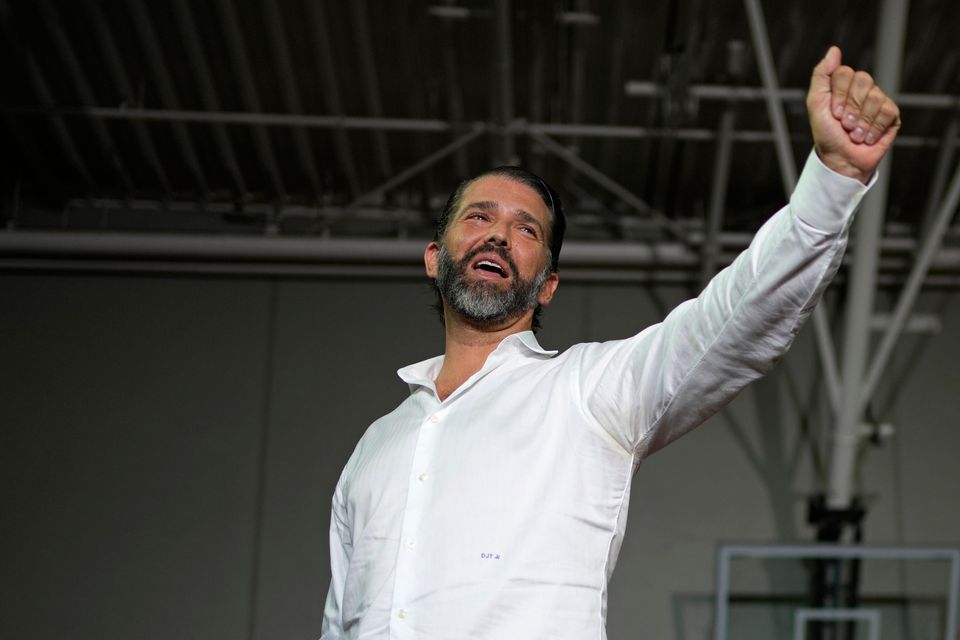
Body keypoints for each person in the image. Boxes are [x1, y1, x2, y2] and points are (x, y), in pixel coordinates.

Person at [320, 46, 901, 639]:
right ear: (433, 257)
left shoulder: (588, 392)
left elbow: (735, 320)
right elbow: (339, 623)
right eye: (478, 218)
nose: (498, 235)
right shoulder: (375, 447)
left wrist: (834, 180)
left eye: (526, 230)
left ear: (547, 286)